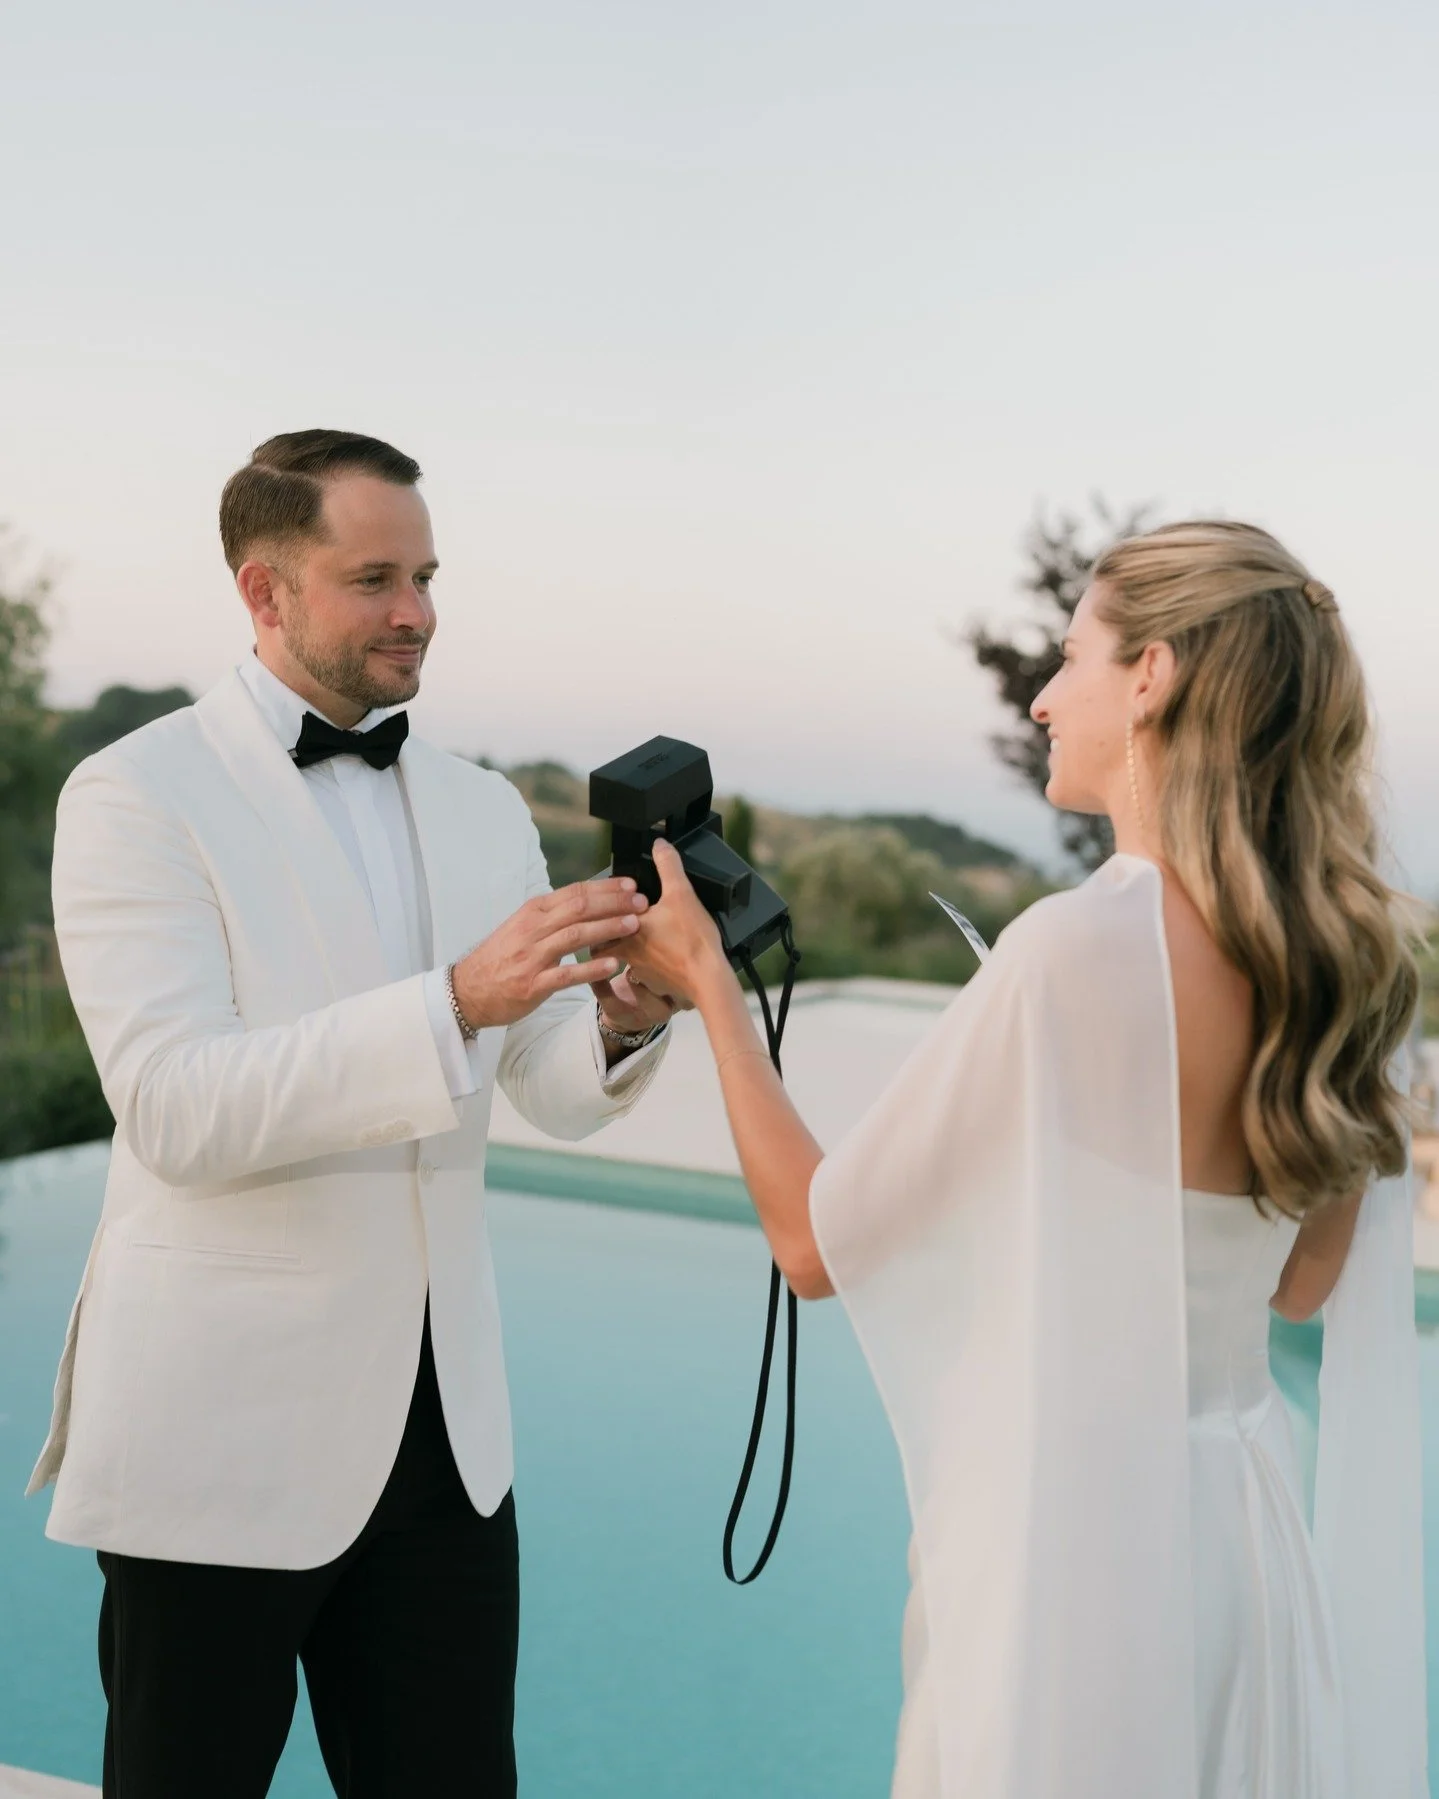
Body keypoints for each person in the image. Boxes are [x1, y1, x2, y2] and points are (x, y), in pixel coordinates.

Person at [618, 520, 1426, 1798]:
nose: (1046, 698)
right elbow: (1294, 1287)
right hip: (1241, 1542)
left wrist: (709, 985)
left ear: (1152, 674)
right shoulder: (1331, 965)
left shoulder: (1068, 950)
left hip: (1082, 1549)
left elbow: (812, 1244)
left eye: (1071, 658)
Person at [27, 429, 677, 1798]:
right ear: (264, 591)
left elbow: (547, 1083)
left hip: (447, 1447)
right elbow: (174, 1106)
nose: (416, 610)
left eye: (428, 575)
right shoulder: (134, 793)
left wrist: (623, 1013)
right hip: (216, 1439)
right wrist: (449, 998)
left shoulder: (484, 802)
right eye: (374, 576)